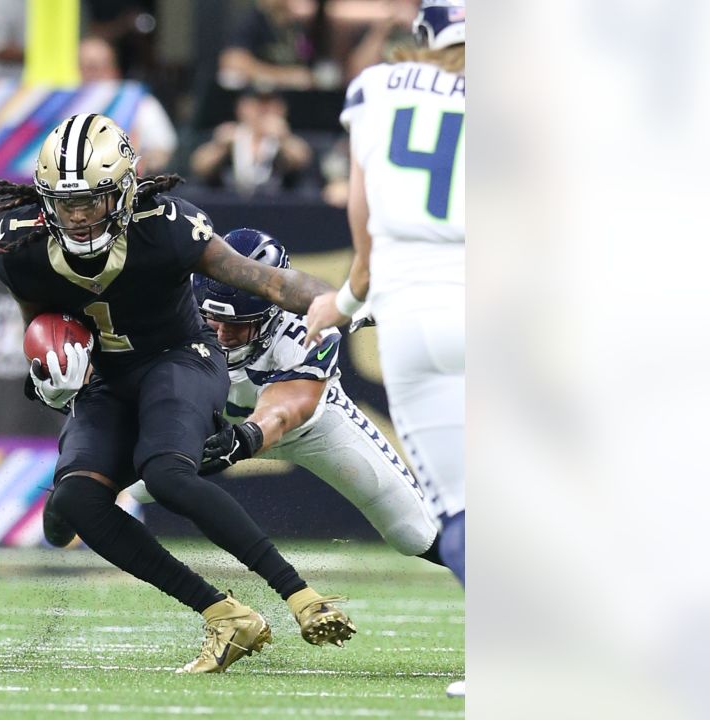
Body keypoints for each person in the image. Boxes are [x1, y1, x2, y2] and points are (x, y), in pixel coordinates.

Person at [0, 113, 355, 674]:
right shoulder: (21, 245)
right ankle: (224, 614)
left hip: (181, 358)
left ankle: (300, 595)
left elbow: (270, 282)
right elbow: (42, 322)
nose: (78, 217)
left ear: (124, 192)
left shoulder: (168, 225)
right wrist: (49, 377)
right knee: (74, 501)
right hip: (107, 378)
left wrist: (345, 301)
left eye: (93, 201)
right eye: (66, 202)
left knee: (167, 473)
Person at [303, 0, 465, 697]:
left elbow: (362, 226)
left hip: (408, 315)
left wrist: (341, 303)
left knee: (462, 513)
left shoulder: (376, 89)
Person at [125, 228, 444, 567]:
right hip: (210, 422)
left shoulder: (309, 321)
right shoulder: (177, 306)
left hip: (308, 428)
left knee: (413, 532)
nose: (220, 334)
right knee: (104, 482)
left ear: (274, 312)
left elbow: (290, 404)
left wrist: (248, 435)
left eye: (237, 325)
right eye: (212, 319)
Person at [78, 36, 177, 174]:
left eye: (95, 67)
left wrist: (139, 167)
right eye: (83, 67)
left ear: (114, 69)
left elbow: (163, 150)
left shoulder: (140, 103)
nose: (90, 74)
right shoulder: (62, 107)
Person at [189, 88, 314, 196]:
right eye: (256, 104)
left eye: (270, 104)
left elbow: (303, 160)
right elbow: (198, 167)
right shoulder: (229, 136)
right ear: (241, 107)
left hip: (276, 205)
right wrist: (219, 146)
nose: (263, 110)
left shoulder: (285, 138)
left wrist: (285, 138)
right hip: (230, 202)